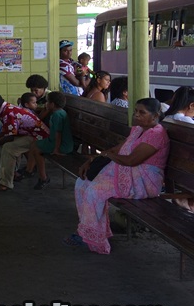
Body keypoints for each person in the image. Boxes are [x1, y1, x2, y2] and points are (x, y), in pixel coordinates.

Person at [67, 98, 169, 254]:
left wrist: (108, 156)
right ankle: (88, 231)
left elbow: (131, 160)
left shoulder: (157, 134)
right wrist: (93, 160)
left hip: (143, 182)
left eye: (142, 112)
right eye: (136, 111)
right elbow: (117, 150)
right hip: (126, 172)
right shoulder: (137, 129)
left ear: (155, 116)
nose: (136, 115)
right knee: (81, 183)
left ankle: (95, 239)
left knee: (94, 192)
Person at [0, 93, 49, 192]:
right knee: (1, 145)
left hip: (39, 137)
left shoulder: (8, 113)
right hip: (30, 135)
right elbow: (5, 131)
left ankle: (5, 183)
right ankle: (6, 176)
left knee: (8, 148)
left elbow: (9, 137)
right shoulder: (6, 108)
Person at [28, 91, 75, 190]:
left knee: (36, 149)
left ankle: (43, 177)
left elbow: (58, 133)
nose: (46, 104)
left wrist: (56, 149)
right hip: (57, 142)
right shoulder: (59, 112)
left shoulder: (57, 115)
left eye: (47, 102)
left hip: (62, 145)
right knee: (34, 144)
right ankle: (30, 170)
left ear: (52, 104)